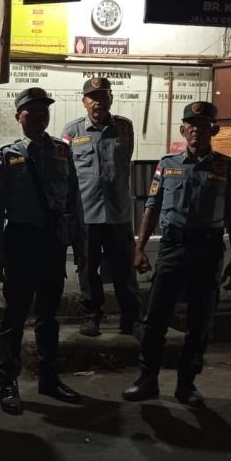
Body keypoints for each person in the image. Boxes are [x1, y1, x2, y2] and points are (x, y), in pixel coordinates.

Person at [122, 101, 231, 406]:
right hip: (173, 247)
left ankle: (186, 384)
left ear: (213, 130)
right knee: (155, 317)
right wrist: (139, 248)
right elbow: (152, 207)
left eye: (203, 126)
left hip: (209, 249)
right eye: (191, 125)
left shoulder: (228, 167)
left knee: (200, 321)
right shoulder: (167, 164)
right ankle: (147, 379)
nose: (196, 130)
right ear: (182, 129)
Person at [0, 87, 87, 415]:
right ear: (19, 116)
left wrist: (80, 244)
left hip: (53, 242)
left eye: (44, 110)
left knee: (48, 315)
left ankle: (49, 378)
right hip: (20, 241)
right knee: (15, 316)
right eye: (32, 111)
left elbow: (74, 201)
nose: (39, 116)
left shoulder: (62, 151)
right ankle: (8, 382)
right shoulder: (6, 154)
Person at [60, 77, 141, 338]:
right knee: (88, 268)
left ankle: (130, 319)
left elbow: (123, 163)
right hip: (86, 213)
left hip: (118, 213)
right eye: (92, 98)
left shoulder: (124, 128)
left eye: (103, 97)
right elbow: (66, 173)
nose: (98, 103)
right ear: (84, 101)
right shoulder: (72, 132)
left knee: (124, 269)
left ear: (111, 99)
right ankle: (92, 315)